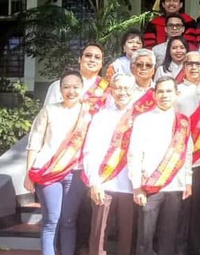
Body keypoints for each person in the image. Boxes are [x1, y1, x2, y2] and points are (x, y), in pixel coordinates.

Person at [25, 70, 90, 255]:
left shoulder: (89, 113)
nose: (71, 91)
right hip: (48, 172)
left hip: (76, 173)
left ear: (82, 88)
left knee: (69, 221)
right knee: (52, 220)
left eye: (75, 87)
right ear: (60, 90)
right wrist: (28, 174)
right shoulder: (49, 110)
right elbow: (34, 142)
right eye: (66, 87)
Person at [129, 76, 194, 255]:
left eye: (168, 91)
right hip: (150, 186)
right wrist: (137, 187)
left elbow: (188, 152)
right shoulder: (143, 119)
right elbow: (134, 154)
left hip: (175, 186)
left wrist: (188, 181)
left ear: (176, 94)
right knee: (145, 237)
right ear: (154, 94)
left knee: (169, 237)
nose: (164, 95)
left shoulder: (183, 121)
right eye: (160, 91)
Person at [82, 73, 137, 255]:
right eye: (118, 88)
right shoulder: (101, 116)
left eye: (126, 88)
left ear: (133, 90)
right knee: (98, 235)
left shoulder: (140, 116)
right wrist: (94, 182)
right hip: (104, 184)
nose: (122, 92)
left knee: (127, 237)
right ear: (111, 91)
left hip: (130, 186)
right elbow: (90, 150)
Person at [175, 51, 200, 255]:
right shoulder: (175, 91)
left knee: (199, 205)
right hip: (179, 158)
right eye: (189, 63)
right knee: (181, 206)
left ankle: (197, 246)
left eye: (198, 63)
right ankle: (179, 247)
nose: (193, 67)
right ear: (184, 66)